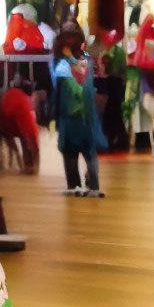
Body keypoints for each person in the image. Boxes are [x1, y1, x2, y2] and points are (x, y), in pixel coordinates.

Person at [52, 21, 107, 197]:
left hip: (75, 115)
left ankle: (82, 186)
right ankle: (88, 185)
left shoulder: (67, 62)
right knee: (83, 152)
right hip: (79, 115)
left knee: (76, 152)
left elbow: (67, 89)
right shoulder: (82, 59)